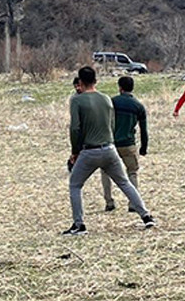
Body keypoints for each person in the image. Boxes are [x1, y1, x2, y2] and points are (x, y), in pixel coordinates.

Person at [64, 66, 155, 235]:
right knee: (124, 183)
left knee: (75, 185)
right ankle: (146, 216)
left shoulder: (77, 100)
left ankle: (79, 225)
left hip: (89, 151)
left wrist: (75, 151)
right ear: (96, 81)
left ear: (80, 82)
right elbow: (111, 124)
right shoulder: (106, 99)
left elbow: (75, 128)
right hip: (109, 148)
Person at [102, 76, 148, 213]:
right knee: (132, 172)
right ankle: (133, 203)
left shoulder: (111, 102)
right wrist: (144, 147)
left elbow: (103, 122)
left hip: (111, 143)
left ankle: (109, 202)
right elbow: (143, 129)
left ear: (120, 87)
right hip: (128, 144)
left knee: (105, 172)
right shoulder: (138, 106)